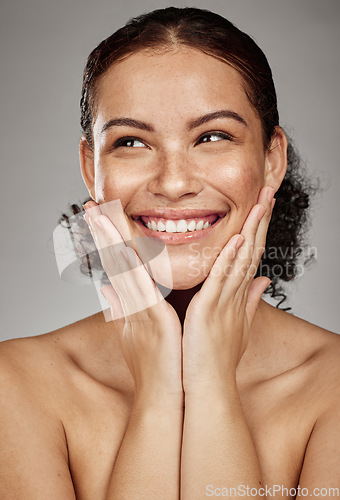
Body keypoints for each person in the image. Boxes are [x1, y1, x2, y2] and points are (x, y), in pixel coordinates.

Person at [1, 6, 339, 499]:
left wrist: (212, 386)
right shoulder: (16, 385)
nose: (174, 183)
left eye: (212, 137)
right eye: (132, 142)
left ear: (271, 160)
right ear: (91, 168)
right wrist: (159, 393)